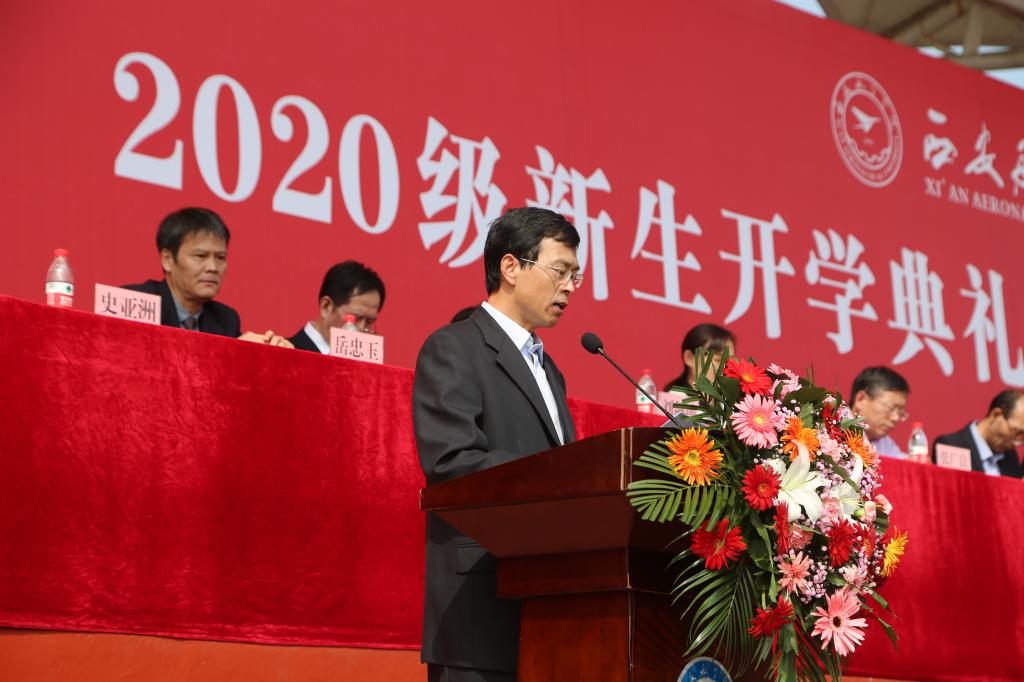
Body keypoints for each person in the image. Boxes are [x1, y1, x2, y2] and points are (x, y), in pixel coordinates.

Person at [413, 207, 580, 682]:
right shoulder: (454, 347)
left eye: (575, 275)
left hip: (545, 611)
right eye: (560, 271)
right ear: (511, 267)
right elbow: (452, 462)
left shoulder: (550, 370)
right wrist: (558, 478)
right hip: (479, 611)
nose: (570, 287)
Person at [123, 207, 291, 347]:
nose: (213, 268)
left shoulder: (226, 320)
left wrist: (270, 351)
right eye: (200, 256)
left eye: (220, 258)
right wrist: (228, 351)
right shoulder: (134, 303)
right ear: (167, 260)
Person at [288, 261, 385, 353]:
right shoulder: (287, 351)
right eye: (355, 318)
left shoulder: (366, 363)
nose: (361, 328)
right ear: (326, 306)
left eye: (369, 322)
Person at [932, 389, 1024, 478]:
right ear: (996, 415)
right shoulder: (952, 446)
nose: (1017, 443)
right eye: (1016, 432)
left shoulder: (1010, 457)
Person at [848, 367, 910, 458]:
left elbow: (903, 462)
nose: (896, 418)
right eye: (890, 408)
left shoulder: (884, 442)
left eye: (900, 412)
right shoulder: (832, 432)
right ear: (861, 399)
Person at [663, 323, 736, 391]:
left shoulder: (731, 398)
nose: (726, 367)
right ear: (689, 358)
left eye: (729, 361)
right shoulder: (676, 398)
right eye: (718, 360)